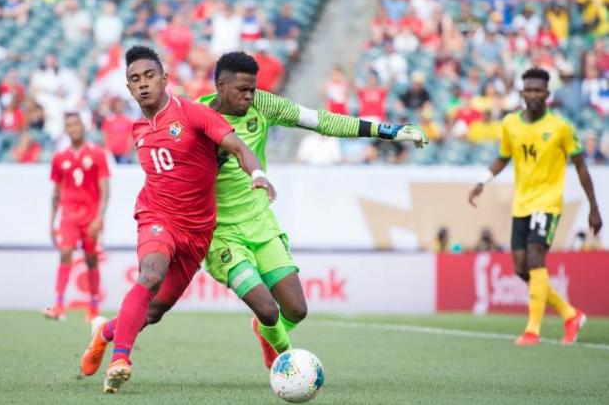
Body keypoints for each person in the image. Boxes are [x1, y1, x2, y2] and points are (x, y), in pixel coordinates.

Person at [83, 51, 428, 375]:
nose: (250, 96)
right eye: (243, 90)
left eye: (253, 89)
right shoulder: (198, 114)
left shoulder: (263, 104)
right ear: (221, 87)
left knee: (296, 309)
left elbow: (320, 121)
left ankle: (264, 333)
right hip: (219, 232)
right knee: (256, 308)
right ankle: (289, 364)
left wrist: (387, 131)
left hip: (260, 223)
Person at [81, 46, 275, 394]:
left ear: (165, 79)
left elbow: (238, 148)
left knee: (152, 312)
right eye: (135, 79)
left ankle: (105, 333)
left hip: (197, 231)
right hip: (156, 216)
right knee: (151, 273)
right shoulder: (138, 129)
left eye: (150, 76)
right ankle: (120, 360)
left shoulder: (194, 114)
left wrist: (258, 173)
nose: (143, 84)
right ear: (128, 88)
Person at [468, 68, 603, 346]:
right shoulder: (510, 124)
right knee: (520, 268)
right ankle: (570, 313)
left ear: (547, 94)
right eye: (528, 90)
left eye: (538, 90)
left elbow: (581, 167)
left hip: (548, 202)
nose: (533, 94)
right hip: (522, 203)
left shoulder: (561, 127)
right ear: (521, 93)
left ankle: (533, 329)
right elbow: (503, 157)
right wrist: (483, 181)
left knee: (535, 258)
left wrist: (594, 208)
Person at [44, 113, 110, 322]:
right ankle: (59, 304)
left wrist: (99, 217)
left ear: (84, 126)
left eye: (76, 124)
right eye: (69, 125)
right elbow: (55, 192)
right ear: (66, 129)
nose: (73, 128)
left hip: (91, 217)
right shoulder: (59, 157)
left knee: (91, 259)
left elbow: (105, 189)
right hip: (68, 216)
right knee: (65, 253)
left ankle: (93, 307)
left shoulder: (97, 154)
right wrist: (51, 221)